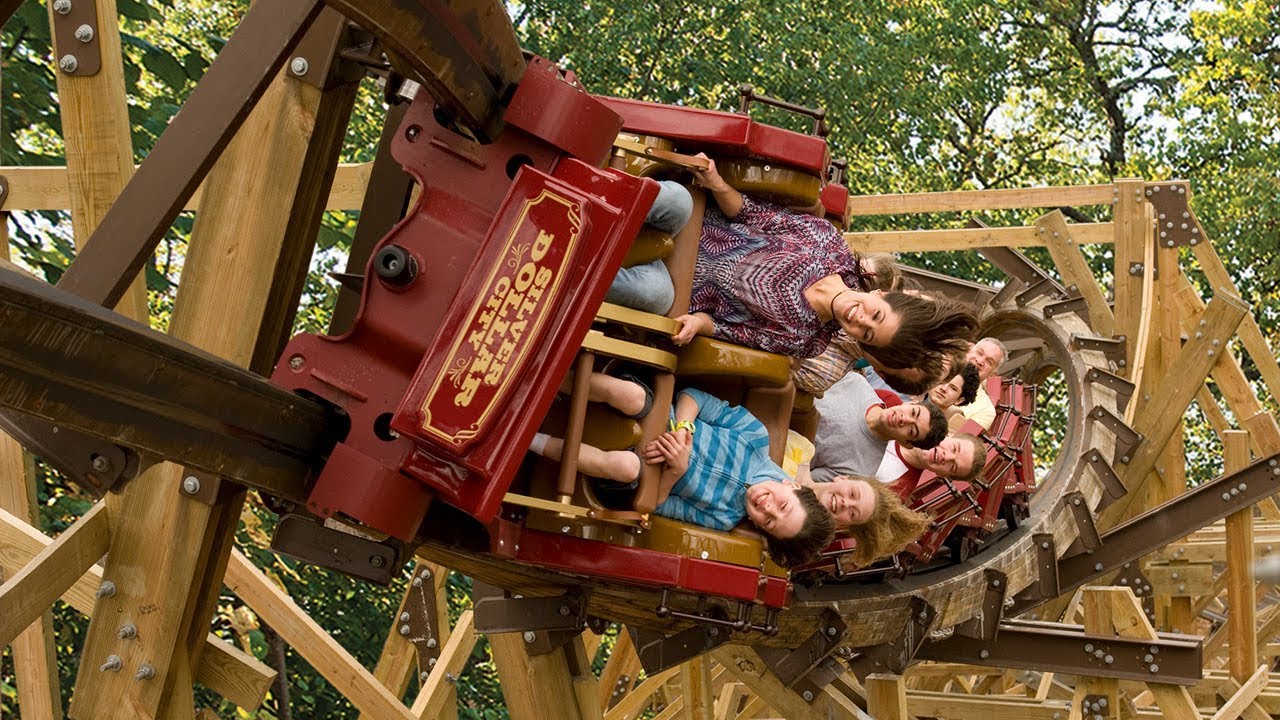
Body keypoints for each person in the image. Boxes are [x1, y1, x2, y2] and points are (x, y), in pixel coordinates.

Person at [611, 157, 978, 364]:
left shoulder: (806, 341)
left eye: (866, 334)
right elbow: (752, 215)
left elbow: (729, 330)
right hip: (692, 227)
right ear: (880, 295)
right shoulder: (829, 244)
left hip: (678, 286)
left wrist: (697, 324)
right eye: (875, 315)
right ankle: (589, 194)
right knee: (676, 199)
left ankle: (568, 262)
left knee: (652, 295)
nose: (859, 320)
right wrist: (717, 182)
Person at [528, 377, 835, 567]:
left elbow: (658, 505)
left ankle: (531, 440)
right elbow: (694, 397)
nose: (767, 508)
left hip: (643, 470)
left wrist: (676, 471)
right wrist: (683, 429)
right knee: (632, 395)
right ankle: (549, 379)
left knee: (624, 467)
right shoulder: (755, 438)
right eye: (782, 506)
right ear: (792, 485)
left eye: (768, 522)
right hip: (662, 414)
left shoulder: (722, 517)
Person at [809, 372, 947, 482]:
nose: (903, 419)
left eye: (911, 430)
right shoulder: (856, 383)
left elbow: (801, 479)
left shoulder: (859, 471)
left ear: (906, 443)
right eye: (913, 412)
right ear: (909, 404)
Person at [795, 474, 931, 566]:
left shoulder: (795, 536)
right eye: (852, 494)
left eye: (853, 513)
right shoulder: (802, 452)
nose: (845, 504)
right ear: (842, 478)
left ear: (842, 525)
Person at [605, 180, 694, 315]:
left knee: (655, 292)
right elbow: (738, 210)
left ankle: (578, 272)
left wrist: (700, 322)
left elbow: (719, 328)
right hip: (682, 226)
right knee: (680, 200)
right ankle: (600, 199)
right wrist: (720, 186)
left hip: (663, 280)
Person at [875, 432, 987, 491]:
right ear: (950, 434)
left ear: (943, 475)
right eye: (954, 448)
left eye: (952, 466)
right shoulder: (906, 415)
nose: (946, 457)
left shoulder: (897, 488)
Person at [953, 338, 1008, 431]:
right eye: (979, 353)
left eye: (989, 362)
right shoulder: (939, 368)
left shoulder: (985, 410)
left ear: (992, 375)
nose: (980, 361)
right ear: (969, 351)